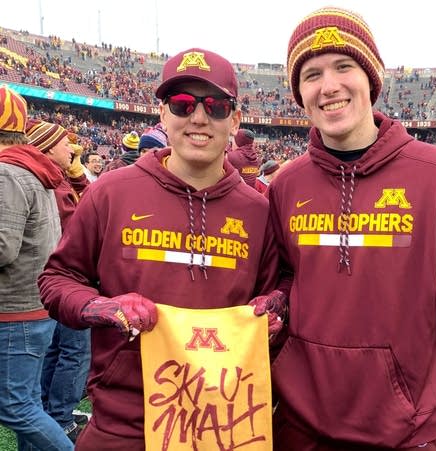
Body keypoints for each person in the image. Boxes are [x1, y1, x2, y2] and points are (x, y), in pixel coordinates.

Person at [267, 7, 436, 450]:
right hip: (300, 431)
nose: (329, 86)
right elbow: (282, 282)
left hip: (409, 434)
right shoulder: (285, 184)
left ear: (372, 78)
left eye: (344, 67)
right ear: (299, 93)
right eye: (312, 74)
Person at [38, 47, 284, 451]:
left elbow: (282, 286)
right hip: (124, 420)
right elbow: (57, 279)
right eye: (182, 104)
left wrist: (278, 306)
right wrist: (103, 307)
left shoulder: (258, 210)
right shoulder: (111, 193)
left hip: (224, 421)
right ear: (164, 115)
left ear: (235, 119)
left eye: (216, 106)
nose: (199, 118)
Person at [0, 85, 74, 450]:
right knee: (26, 403)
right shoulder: (29, 169)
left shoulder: (7, 173)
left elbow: (2, 247)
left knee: (15, 407)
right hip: (31, 305)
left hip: (14, 310)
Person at [26, 121, 92, 444]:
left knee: (58, 349)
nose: (73, 149)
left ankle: (49, 409)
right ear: (49, 148)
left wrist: (78, 174)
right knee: (76, 351)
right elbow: (88, 217)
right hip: (67, 278)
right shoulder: (50, 181)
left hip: (56, 279)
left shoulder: (52, 177)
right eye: (65, 144)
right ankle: (61, 418)